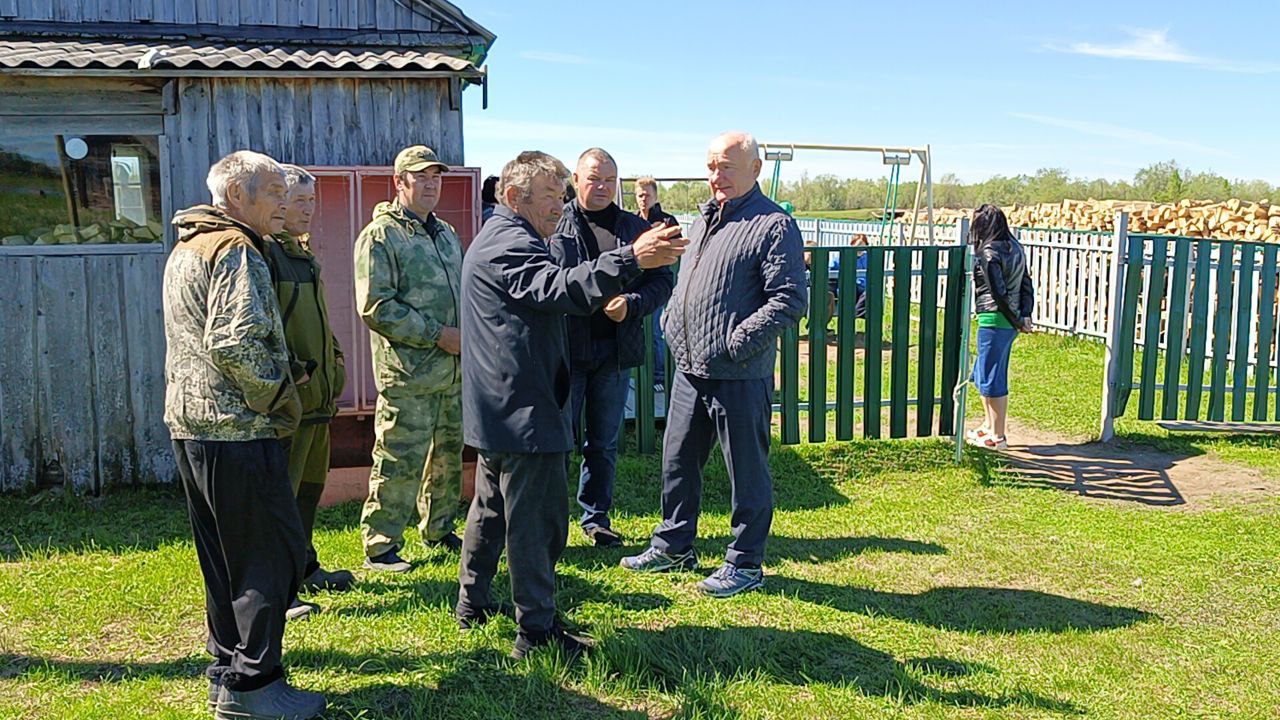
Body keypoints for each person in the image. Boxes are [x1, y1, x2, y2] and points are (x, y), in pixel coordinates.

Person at [456, 150, 685, 659]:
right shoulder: (513, 244)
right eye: (550, 196)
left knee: (491, 510)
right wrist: (631, 258)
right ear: (513, 197)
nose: (559, 206)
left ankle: (473, 603)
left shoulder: (500, 235)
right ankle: (535, 632)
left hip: (501, 407)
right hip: (524, 408)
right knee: (535, 522)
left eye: (562, 196)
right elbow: (559, 288)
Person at [163, 150, 325, 719]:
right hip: (237, 428)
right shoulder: (235, 247)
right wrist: (279, 395)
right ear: (237, 195)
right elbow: (232, 342)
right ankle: (254, 684)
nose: (284, 201)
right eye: (274, 192)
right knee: (268, 557)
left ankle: (226, 672)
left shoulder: (189, 243)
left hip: (193, 426)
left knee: (224, 560)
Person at [620, 132, 807, 598]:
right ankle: (673, 545)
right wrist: (673, 325)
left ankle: (745, 563)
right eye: (710, 166)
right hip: (691, 368)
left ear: (755, 169)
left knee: (746, 472)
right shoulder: (703, 220)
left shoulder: (774, 225)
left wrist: (737, 341)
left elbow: (788, 299)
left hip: (739, 373)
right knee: (677, 461)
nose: (715, 176)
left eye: (726, 166)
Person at [549, 150, 674, 548]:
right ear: (575, 179)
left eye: (609, 180)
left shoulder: (635, 228)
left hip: (615, 352)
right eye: (593, 178)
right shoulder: (555, 224)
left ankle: (595, 517)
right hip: (565, 353)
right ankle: (552, 519)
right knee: (557, 442)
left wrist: (632, 305)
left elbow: (662, 282)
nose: (601, 186)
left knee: (603, 443)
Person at [355, 145, 465, 572]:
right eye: (421, 177)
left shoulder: (445, 233)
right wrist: (438, 335)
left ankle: (438, 528)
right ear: (399, 182)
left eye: (436, 177)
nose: (431, 184)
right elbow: (376, 306)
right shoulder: (381, 236)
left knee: (447, 457)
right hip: (409, 374)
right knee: (399, 458)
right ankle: (381, 544)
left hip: (451, 373)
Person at [262, 164, 355, 621]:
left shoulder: (301, 252)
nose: (306, 210)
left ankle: (303, 566)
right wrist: (295, 374)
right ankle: (279, 590)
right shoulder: (267, 253)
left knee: (308, 491)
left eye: (310, 201)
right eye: (298, 201)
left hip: (317, 398)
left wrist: (334, 361)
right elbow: (267, 326)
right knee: (283, 496)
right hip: (291, 399)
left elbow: (316, 318)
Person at [967, 203, 1035, 450]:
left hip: (994, 319)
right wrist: (1024, 314)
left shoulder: (988, 252)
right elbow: (1026, 283)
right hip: (1008, 320)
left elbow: (998, 292)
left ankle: (997, 436)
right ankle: (988, 425)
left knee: (992, 376)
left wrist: (1017, 320)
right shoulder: (1016, 247)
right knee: (983, 373)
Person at [635, 176, 678, 392]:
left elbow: (678, 249)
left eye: (647, 195)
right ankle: (642, 373)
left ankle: (659, 374)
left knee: (654, 331)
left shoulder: (666, 221)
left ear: (655, 196)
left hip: (659, 284)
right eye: (640, 195)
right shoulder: (632, 221)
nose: (643, 199)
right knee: (641, 331)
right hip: (637, 284)